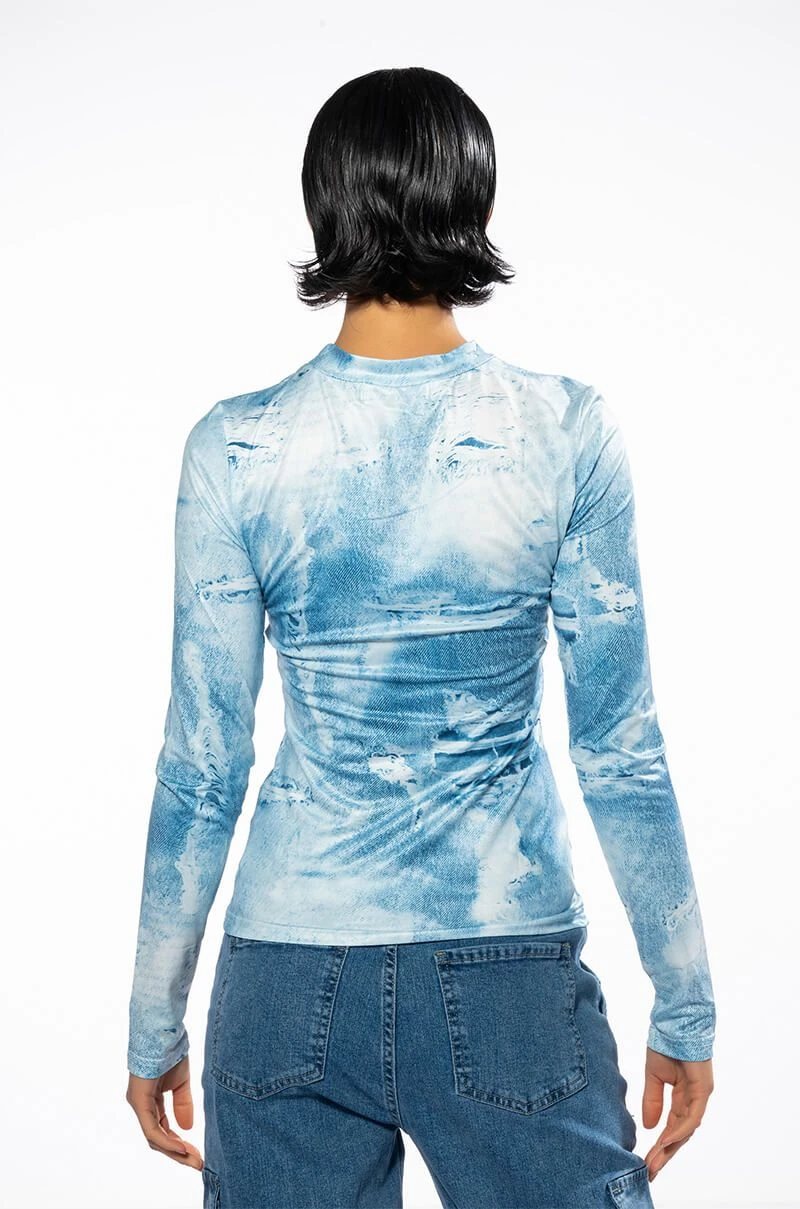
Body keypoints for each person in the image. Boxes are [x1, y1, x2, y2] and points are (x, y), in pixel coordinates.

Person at [125, 66, 716, 1209]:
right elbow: (620, 748)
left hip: (283, 979)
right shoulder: (563, 433)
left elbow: (202, 765)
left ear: (324, 205)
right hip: (505, 975)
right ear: (471, 198)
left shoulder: (237, 448)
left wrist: (154, 1021)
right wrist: (683, 1004)